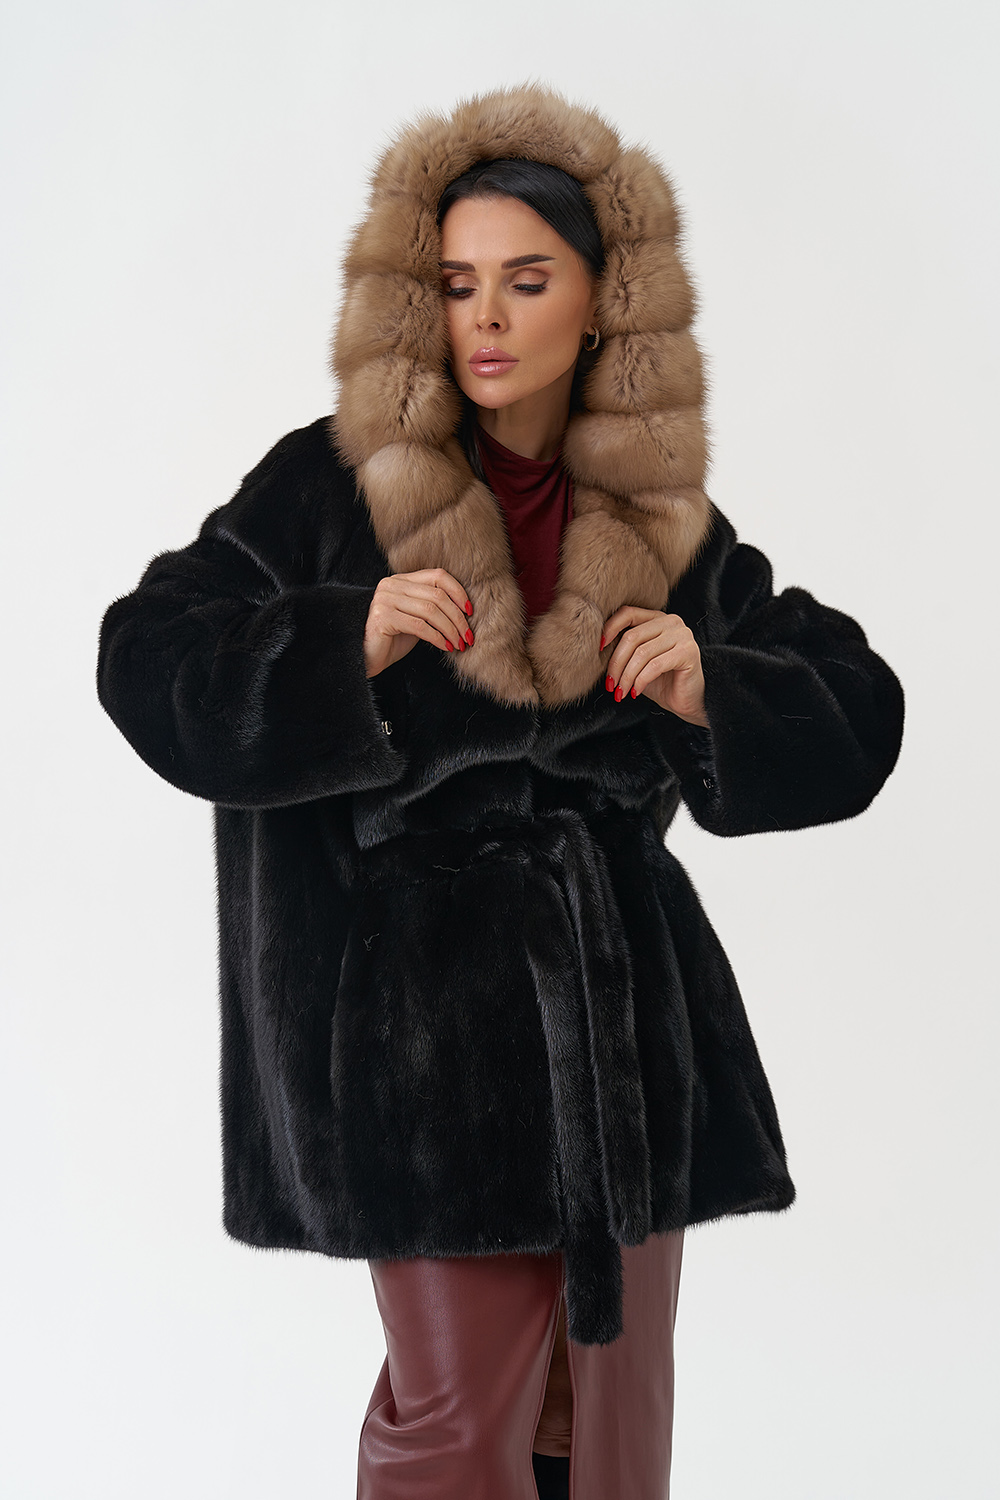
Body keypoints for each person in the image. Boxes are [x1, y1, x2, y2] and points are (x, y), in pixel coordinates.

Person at [95, 83, 906, 1500]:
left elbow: (857, 704)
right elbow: (146, 651)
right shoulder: (333, 486)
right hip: (412, 1042)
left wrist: (712, 682)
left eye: (527, 281)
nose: (484, 316)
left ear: (602, 303)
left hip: (624, 1034)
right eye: (457, 283)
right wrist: (339, 641)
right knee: (454, 1431)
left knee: (609, 1435)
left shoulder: (659, 519)